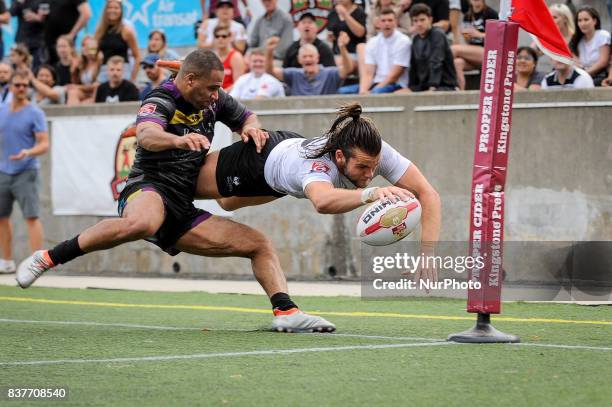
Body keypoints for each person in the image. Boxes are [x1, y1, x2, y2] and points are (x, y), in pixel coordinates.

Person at [16, 49, 335, 334]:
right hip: (148, 185)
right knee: (143, 223)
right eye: (211, 87)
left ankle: (286, 311)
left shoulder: (215, 97)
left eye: (218, 87)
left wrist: (250, 127)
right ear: (191, 80)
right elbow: (146, 135)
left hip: (183, 203)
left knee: (258, 243)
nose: (216, 94)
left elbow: (246, 115)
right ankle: (47, 257)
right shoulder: (162, 97)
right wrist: (177, 140)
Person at [192, 102, 441, 283]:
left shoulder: (375, 152)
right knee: (185, 182)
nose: (370, 173)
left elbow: (428, 194)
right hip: (256, 162)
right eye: (363, 167)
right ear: (340, 157)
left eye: (374, 167)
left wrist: (427, 255)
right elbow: (322, 201)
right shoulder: (318, 166)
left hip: (278, 182)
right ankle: (183, 128)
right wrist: (372, 193)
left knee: (226, 204)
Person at [0, 69, 49, 275]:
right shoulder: (1, 110)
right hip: (2, 171)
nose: (21, 89)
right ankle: (6, 261)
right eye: (17, 85)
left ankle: (36, 264)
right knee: (1, 217)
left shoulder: (35, 112)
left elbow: (44, 144)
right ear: (10, 87)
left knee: (31, 216)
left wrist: (28, 152)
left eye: (25, 85)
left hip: (26, 171)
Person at [342, 9, 411, 94]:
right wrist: (363, 91)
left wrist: (371, 92)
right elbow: (368, 73)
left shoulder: (403, 41)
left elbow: (394, 76)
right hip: (376, 83)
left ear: (396, 22)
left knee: (376, 92)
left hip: (396, 84)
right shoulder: (373, 42)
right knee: (343, 92)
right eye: (383, 20)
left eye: (390, 20)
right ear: (378, 23)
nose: (387, 23)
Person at [266, 33, 354, 96]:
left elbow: (348, 69)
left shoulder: (329, 73)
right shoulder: (294, 74)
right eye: (304, 56)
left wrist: (342, 48)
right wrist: (269, 51)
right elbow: (271, 72)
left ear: (317, 58)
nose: (308, 59)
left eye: (311, 56)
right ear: (299, 60)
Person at [408, 3, 457, 92]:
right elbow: (414, 67)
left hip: (443, 86)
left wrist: (432, 87)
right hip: (423, 86)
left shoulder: (438, 34)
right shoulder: (415, 39)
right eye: (415, 21)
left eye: (422, 20)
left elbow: (436, 61)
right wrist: (411, 87)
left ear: (430, 19)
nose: (419, 24)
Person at [451, 0, 498, 90]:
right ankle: (460, 92)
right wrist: (465, 35)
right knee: (457, 63)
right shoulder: (468, 16)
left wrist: (478, 34)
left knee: (454, 49)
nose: (476, 2)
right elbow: (468, 40)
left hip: (489, 52)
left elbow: (497, 37)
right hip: (474, 53)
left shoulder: (491, 14)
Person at [94, 0, 140, 83]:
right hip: (104, 71)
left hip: (122, 72)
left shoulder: (126, 31)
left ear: (121, 11)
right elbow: (93, 53)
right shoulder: (99, 31)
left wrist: (132, 79)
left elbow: (137, 57)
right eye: (110, 7)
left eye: (116, 8)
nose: (113, 10)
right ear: (105, 10)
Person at [570, 6, 611, 86]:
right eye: (579, 20)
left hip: (600, 76)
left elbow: (603, 62)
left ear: (595, 21)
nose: (582, 23)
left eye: (586, 20)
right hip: (582, 76)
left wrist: (583, 75)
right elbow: (576, 63)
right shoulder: (578, 41)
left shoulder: (602, 35)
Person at [44, 0, 92, 65]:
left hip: (66, 45)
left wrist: (71, 34)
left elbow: (86, 14)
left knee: (69, 68)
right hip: (48, 44)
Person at [9, 0, 46, 69]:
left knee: (38, 68)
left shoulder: (43, 1)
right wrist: (18, 2)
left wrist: (37, 18)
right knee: (17, 68)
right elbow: (11, 13)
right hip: (21, 41)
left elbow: (49, 20)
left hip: (37, 42)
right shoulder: (19, 2)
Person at [66, 35, 100, 105]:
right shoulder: (82, 64)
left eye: (88, 45)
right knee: (72, 92)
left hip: (96, 93)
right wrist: (73, 71)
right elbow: (75, 83)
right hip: (85, 93)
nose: (85, 48)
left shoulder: (99, 61)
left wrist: (78, 87)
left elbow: (96, 86)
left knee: (80, 103)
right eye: (83, 45)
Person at [212, 25, 246, 91]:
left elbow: (238, 84)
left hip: (230, 96)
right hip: (214, 95)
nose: (220, 39)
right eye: (217, 36)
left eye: (224, 36)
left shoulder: (236, 57)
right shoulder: (212, 57)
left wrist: (222, 94)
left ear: (230, 38)